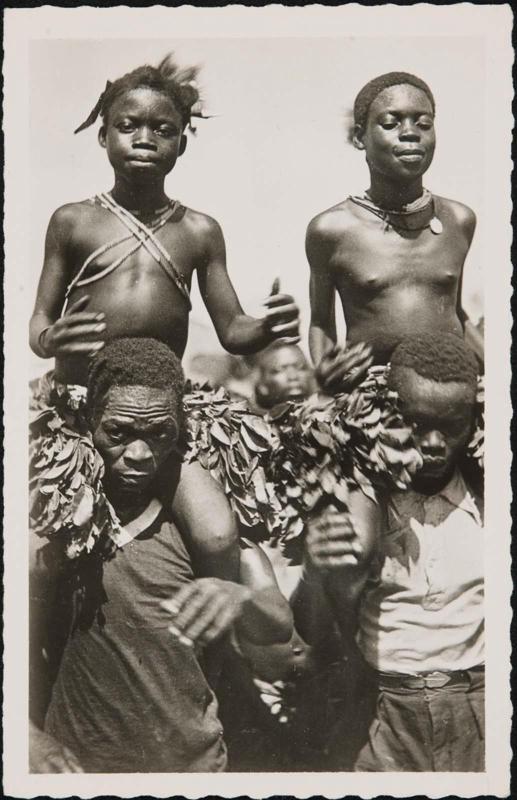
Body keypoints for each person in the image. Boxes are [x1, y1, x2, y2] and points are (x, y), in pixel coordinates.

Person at [29, 53, 300, 578]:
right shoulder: (72, 222)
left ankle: (218, 654)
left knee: (219, 536)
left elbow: (233, 330)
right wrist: (51, 339)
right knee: (37, 561)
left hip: (162, 419)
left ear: (181, 142)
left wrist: (266, 327)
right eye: (128, 126)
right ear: (102, 135)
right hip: (79, 413)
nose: (145, 138)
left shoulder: (199, 231)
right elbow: (38, 324)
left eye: (163, 129)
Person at [29, 337, 293, 773]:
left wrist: (239, 597)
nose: (138, 455)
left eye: (159, 434)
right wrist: (27, 736)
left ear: (181, 429)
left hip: (191, 765)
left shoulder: (204, 527)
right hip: (80, 765)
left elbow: (279, 629)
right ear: (88, 420)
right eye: (118, 433)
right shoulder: (57, 524)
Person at [293, 334, 484, 771]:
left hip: (479, 709)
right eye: (416, 424)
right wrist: (316, 569)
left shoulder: (489, 501)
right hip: (382, 713)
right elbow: (310, 634)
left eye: (452, 426)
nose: (434, 442)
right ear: (386, 416)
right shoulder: (361, 506)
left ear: (474, 422)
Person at [307, 71, 483, 396]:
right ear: (360, 137)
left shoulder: (459, 219)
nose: (410, 134)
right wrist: (324, 371)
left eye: (424, 124)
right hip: (373, 399)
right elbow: (321, 321)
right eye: (391, 123)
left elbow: (454, 310)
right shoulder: (330, 229)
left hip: (453, 397)